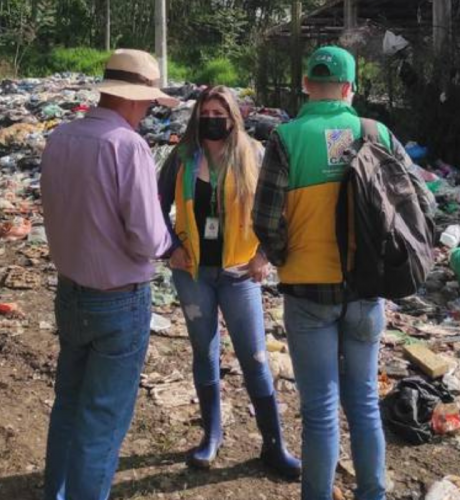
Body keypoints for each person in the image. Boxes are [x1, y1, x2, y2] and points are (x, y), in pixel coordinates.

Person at [252, 46, 404, 500]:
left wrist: (284, 255)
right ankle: (371, 494)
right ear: (349, 88)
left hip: (308, 291)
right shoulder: (376, 133)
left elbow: (265, 219)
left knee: (319, 410)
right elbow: (418, 205)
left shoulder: (286, 137)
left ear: (305, 85)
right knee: (364, 405)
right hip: (365, 291)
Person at [41, 49, 178, 500]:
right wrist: (170, 246)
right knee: (102, 417)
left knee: (69, 404)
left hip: (70, 292)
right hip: (119, 300)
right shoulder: (128, 145)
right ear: (137, 100)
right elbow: (144, 233)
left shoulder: (61, 136)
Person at [157, 86, 301, 478]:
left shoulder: (254, 154)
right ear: (197, 116)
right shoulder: (184, 157)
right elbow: (154, 204)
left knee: (254, 356)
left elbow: (280, 207)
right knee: (204, 352)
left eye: (220, 112)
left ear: (233, 116)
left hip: (240, 274)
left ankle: (274, 445)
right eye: (206, 112)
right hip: (193, 274)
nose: (213, 118)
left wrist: (264, 254)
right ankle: (211, 436)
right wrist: (169, 247)